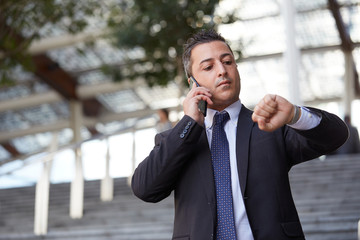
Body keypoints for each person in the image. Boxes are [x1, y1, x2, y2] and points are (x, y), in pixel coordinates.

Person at [131, 29, 348, 240]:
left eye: (227, 62)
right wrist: (189, 123)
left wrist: (295, 114)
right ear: (193, 84)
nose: (222, 71)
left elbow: (336, 135)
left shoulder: (269, 127)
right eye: (208, 66)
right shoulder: (178, 139)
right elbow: (145, 189)